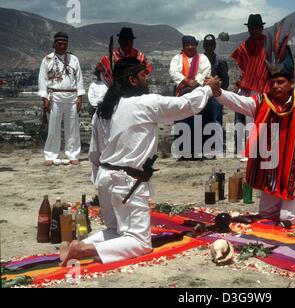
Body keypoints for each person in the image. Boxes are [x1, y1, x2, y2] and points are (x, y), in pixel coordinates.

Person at [60, 58, 219, 266]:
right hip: (127, 182)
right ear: (133, 79)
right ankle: (83, 249)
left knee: (115, 231)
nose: (147, 80)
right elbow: (187, 105)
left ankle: (76, 245)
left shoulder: (102, 111)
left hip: (106, 179)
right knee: (141, 243)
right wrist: (207, 89)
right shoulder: (146, 103)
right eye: (144, 76)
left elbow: (94, 154)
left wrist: (99, 182)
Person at [206, 23, 295, 226]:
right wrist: (219, 93)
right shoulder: (263, 102)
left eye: (280, 82)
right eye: (272, 82)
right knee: (266, 214)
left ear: (291, 83)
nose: (275, 86)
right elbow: (240, 102)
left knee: (288, 218)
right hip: (272, 168)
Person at [38, 32, 85, 166]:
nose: (62, 46)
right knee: (53, 127)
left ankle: (73, 154)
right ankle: (51, 155)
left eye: (65, 44)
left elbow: (79, 79)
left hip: (71, 96)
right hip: (54, 96)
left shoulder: (74, 59)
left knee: (72, 127)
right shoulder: (47, 59)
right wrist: (44, 98)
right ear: (54, 44)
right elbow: (42, 80)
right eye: (60, 43)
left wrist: (80, 97)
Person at [231, 14, 270, 159]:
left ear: (261, 28)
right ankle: (250, 151)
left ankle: (266, 151)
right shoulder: (244, 46)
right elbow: (240, 67)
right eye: (251, 28)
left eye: (256, 28)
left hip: (267, 86)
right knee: (250, 121)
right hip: (249, 87)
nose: (254, 31)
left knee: (266, 119)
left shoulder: (269, 44)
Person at [170, 36, 211, 160]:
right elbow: (173, 72)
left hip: (197, 93)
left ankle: (197, 151)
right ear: (183, 46)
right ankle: (182, 151)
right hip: (182, 93)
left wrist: (196, 82)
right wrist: (187, 81)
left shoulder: (202, 58)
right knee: (182, 121)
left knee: (198, 122)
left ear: (196, 45)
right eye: (187, 45)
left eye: (192, 44)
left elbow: (205, 71)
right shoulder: (177, 59)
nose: (190, 47)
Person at [203, 34, 230, 155]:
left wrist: (218, 92)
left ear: (214, 46)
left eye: (211, 45)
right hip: (203, 95)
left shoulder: (220, 61)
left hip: (215, 96)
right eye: (207, 45)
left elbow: (226, 80)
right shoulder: (199, 60)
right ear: (204, 46)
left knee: (216, 120)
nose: (209, 47)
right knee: (204, 120)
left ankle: (218, 146)